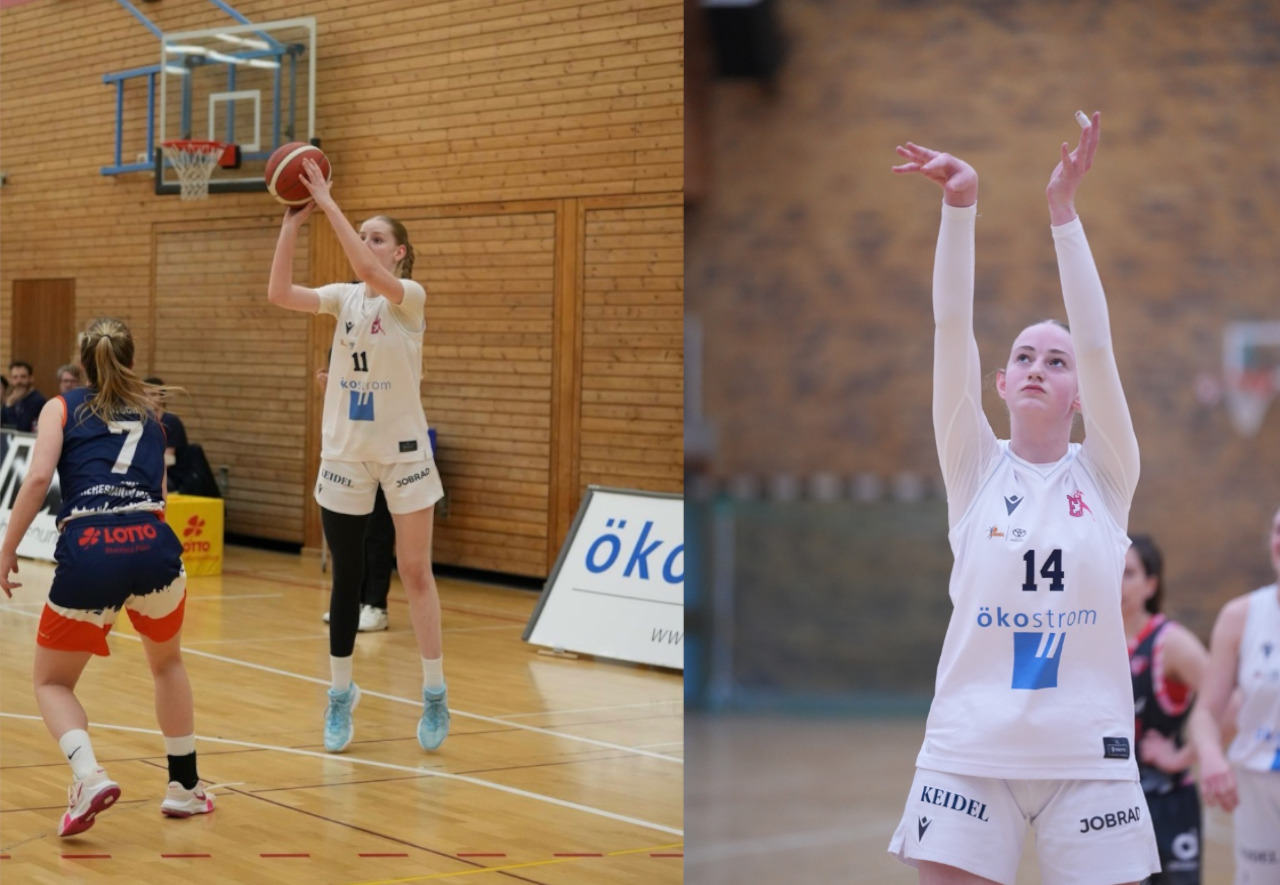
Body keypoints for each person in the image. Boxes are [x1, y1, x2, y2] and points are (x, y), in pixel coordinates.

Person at [886, 112, 1160, 884]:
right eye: (1023, 356)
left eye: (1057, 360)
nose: (1039, 365)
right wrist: (960, 206)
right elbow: (950, 326)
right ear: (1001, 384)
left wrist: (1064, 214)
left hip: (1090, 755)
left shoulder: (1106, 474)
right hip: (971, 748)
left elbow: (1100, 341)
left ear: (1079, 396)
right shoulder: (973, 468)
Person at [0, 317, 214, 837]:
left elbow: (36, 480)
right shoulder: (151, 413)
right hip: (153, 545)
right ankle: (184, 788)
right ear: (131, 361)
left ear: (80, 366)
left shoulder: (60, 406)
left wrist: (5, 550)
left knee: (51, 682)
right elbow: (159, 494)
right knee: (167, 665)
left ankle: (89, 775)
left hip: (92, 547)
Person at [266, 157, 449, 754]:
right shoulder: (344, 300)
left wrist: (329, 204)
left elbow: (362, 266)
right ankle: (341, 695)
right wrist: (294, 222)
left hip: (403, 455)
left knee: (414, 572)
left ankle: (434, 691)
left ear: (399, 254)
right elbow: (279, 293)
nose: (367, 245)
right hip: (345, 454)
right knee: (346, 578)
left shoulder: (409, 299)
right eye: (363, 233)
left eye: (379, 238)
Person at [1186, 503, 1280, 885]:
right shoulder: (1241, 616)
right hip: (1257, 785)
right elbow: (1205, 713)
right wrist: (1209, 756)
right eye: (1277, 531)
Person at [1123, 534, 1210, 885]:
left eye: (1129, 573)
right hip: (1110, 802)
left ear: (1151, 584)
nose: (1117, 582)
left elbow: (1230, 701)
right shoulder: (1093, 639)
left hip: (1167, 802)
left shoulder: (1170, 643)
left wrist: (1182, 755)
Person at [315, 365, 395, 633]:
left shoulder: (383, 351)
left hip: (383, 453)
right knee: (352, 538)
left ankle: (376, 606)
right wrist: (331, 391)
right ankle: (355, 603)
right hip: (351, 456)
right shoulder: (344, 347)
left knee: (377, 533)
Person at [142, 376, 191, 491]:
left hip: (171, 476)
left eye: (153, 395)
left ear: (162, 398)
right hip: (150, 472)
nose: (147, 399)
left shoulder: (171, 422)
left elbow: (167, 460)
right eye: (144, 395)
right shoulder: (143, 422)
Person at [2, 360, 48, 432]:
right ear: (10, 380)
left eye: (23, 377)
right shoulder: (10, 397)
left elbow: (22, 429)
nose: (19, 381)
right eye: (15, 377)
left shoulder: (37, 400)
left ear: (31, 378)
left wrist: (10, 407)